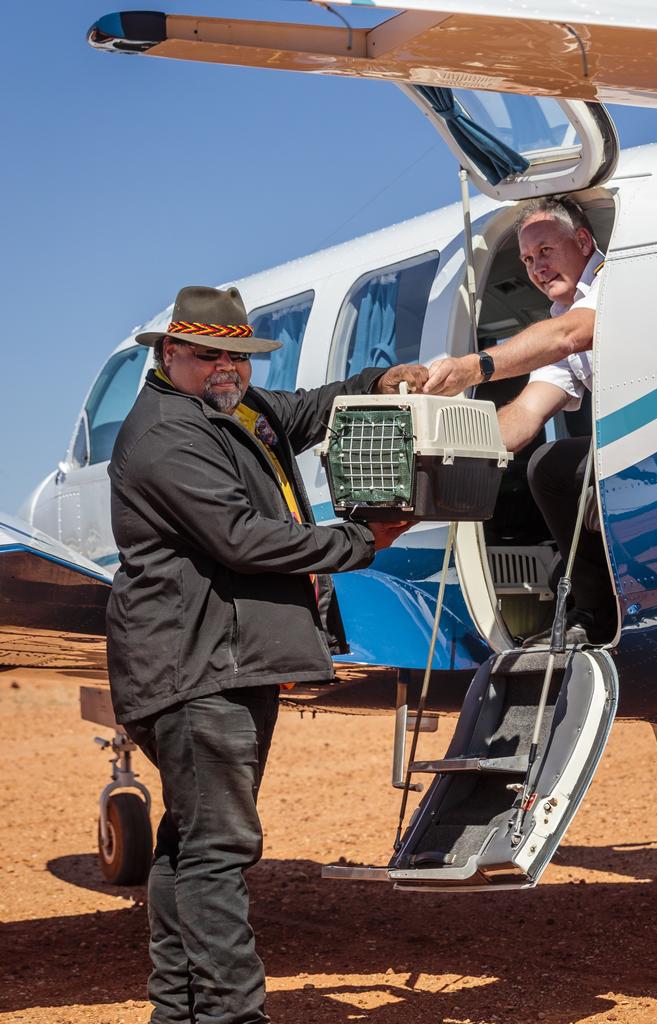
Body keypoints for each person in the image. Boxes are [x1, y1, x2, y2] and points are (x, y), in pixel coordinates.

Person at [107, 284, 427, 1024]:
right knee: (219, 847)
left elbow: (309, 410)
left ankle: (179, 1012)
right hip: (196, 669)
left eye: (240, 356)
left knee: (193, 840)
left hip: (221, 661)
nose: (228, 368)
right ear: (168, 355)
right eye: (208, 355)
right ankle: (229, 1015)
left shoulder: (234, 407)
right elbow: (240, 537)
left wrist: (379, 382)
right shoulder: (166, 434)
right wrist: (361, 540)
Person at [425, 196, 615, 643]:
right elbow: (527, 413)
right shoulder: (560, 316)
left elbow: (573, 335)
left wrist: (475, 367)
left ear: (584, 241)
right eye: (528, 259)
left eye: (546, 251)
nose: (536, 267)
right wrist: (448, 448)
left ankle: (596, 608)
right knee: (548, 466)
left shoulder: (614, 278)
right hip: (628, 446)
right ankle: (595, 608)